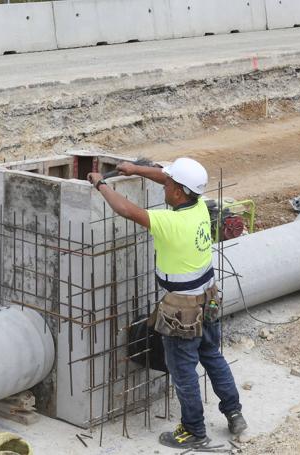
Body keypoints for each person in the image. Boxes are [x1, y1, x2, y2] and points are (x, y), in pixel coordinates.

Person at [87, 158, 247, 450]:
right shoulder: (199, 205)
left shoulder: (170, 222)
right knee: (212, 355)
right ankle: (234, 412)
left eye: (170, 183)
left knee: (183, 371)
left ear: (178, 192)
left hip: (181, 309)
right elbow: (165, 177)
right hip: (208, 297)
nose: (165, 184)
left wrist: (100, 183)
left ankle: (194, 431)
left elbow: (125, 209)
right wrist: (136, 170)